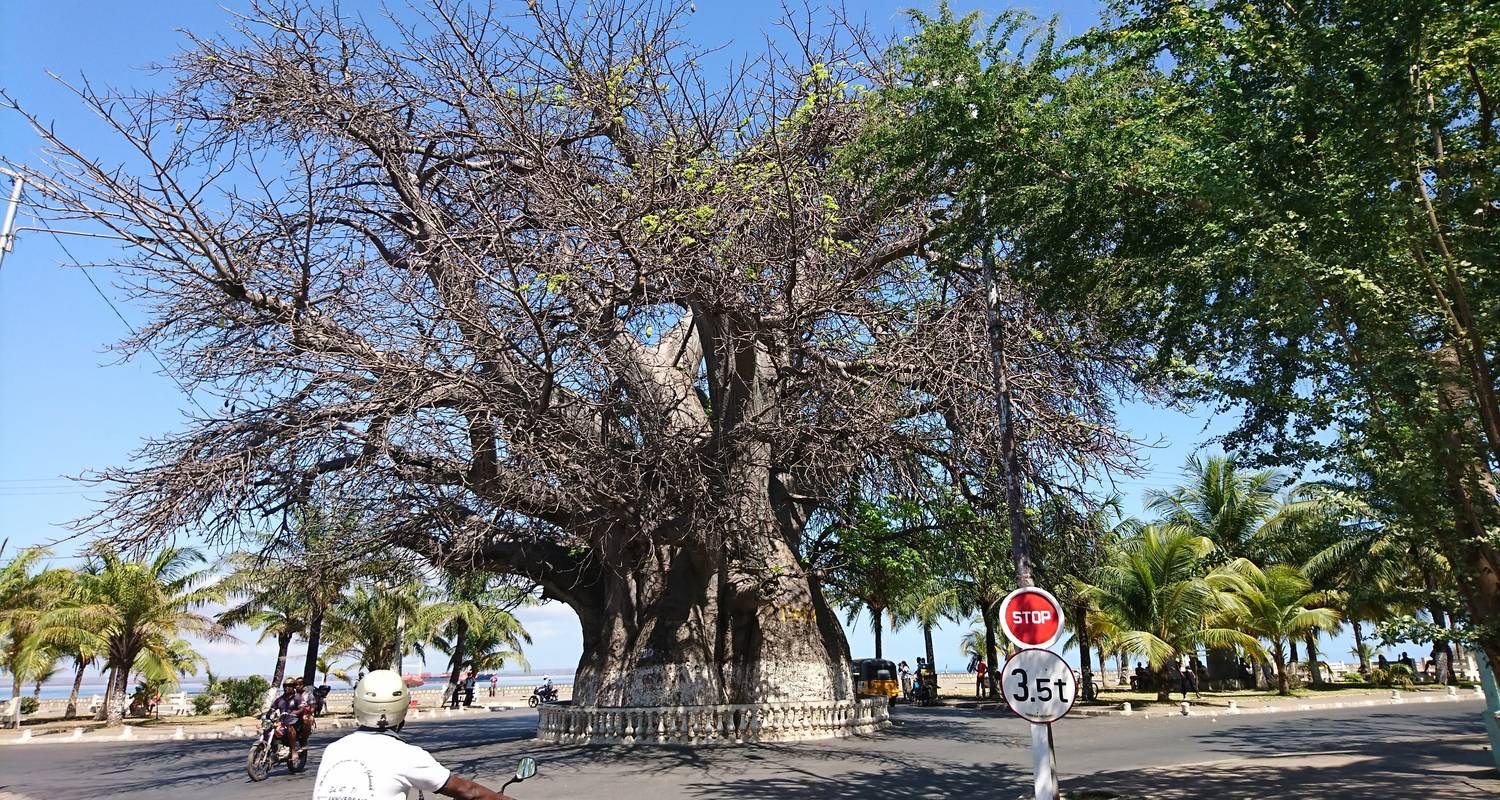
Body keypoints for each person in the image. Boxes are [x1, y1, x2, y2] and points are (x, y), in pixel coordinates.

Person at [313, 670, 515, 800]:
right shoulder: (405, 754)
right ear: (403, 708)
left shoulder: (334, 749)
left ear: (357, 705)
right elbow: (468, 791)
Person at [267, 676, 309, 760]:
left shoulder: (298, 697)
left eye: (289, 686)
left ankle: (293, 751)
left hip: (295, 721)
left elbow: (302, 708)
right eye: (285, 686)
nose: (287, 688)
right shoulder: (280, 699)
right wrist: (267, 714)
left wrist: (294, 712)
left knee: (290, 727)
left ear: (293, 687)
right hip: (283, 721)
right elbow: (272, 708)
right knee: (268, 728)